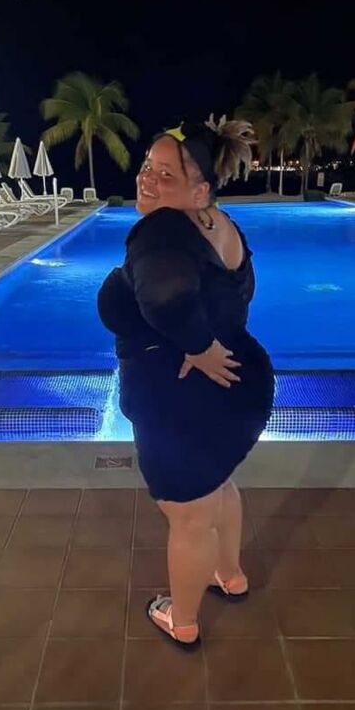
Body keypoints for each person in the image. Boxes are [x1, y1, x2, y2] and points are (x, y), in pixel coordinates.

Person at [97, 115, 275, 648]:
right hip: (239, 386)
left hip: (182, 401)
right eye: (148, 166)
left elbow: (165, 298)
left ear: (199, 190)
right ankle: (230, 575)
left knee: (189, 516)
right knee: (218, 485)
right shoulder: (219, 223)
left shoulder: (160, 230)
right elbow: (237, 295)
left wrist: (198, 347)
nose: (147, 179)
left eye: (166, 175)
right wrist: (210, 343)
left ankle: (183, 620)